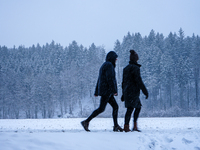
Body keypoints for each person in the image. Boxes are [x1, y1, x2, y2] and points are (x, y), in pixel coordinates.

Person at [81, 51, 123, 132]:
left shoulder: (104, 65)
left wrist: (96, 91)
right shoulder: (109, 65)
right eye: (115, 58)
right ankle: (86, 121)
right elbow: (110, 79)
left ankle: (116, 125)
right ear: (112, 58)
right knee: (101, 108)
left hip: (106, 90)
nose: (116, 60)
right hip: (107, 91)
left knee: (115, 107)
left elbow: (99, 79)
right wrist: (114, 90)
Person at [122, 50, 148, 132]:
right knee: (133, 108)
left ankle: (128, 126)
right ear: (136, 59)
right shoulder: (136, 68)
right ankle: (132, 126)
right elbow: (139, 81)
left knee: (133, 108)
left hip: (127, 91)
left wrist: (123, 93)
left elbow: (123, 82)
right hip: (133, 92)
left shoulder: (126, 68)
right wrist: (145, 91)